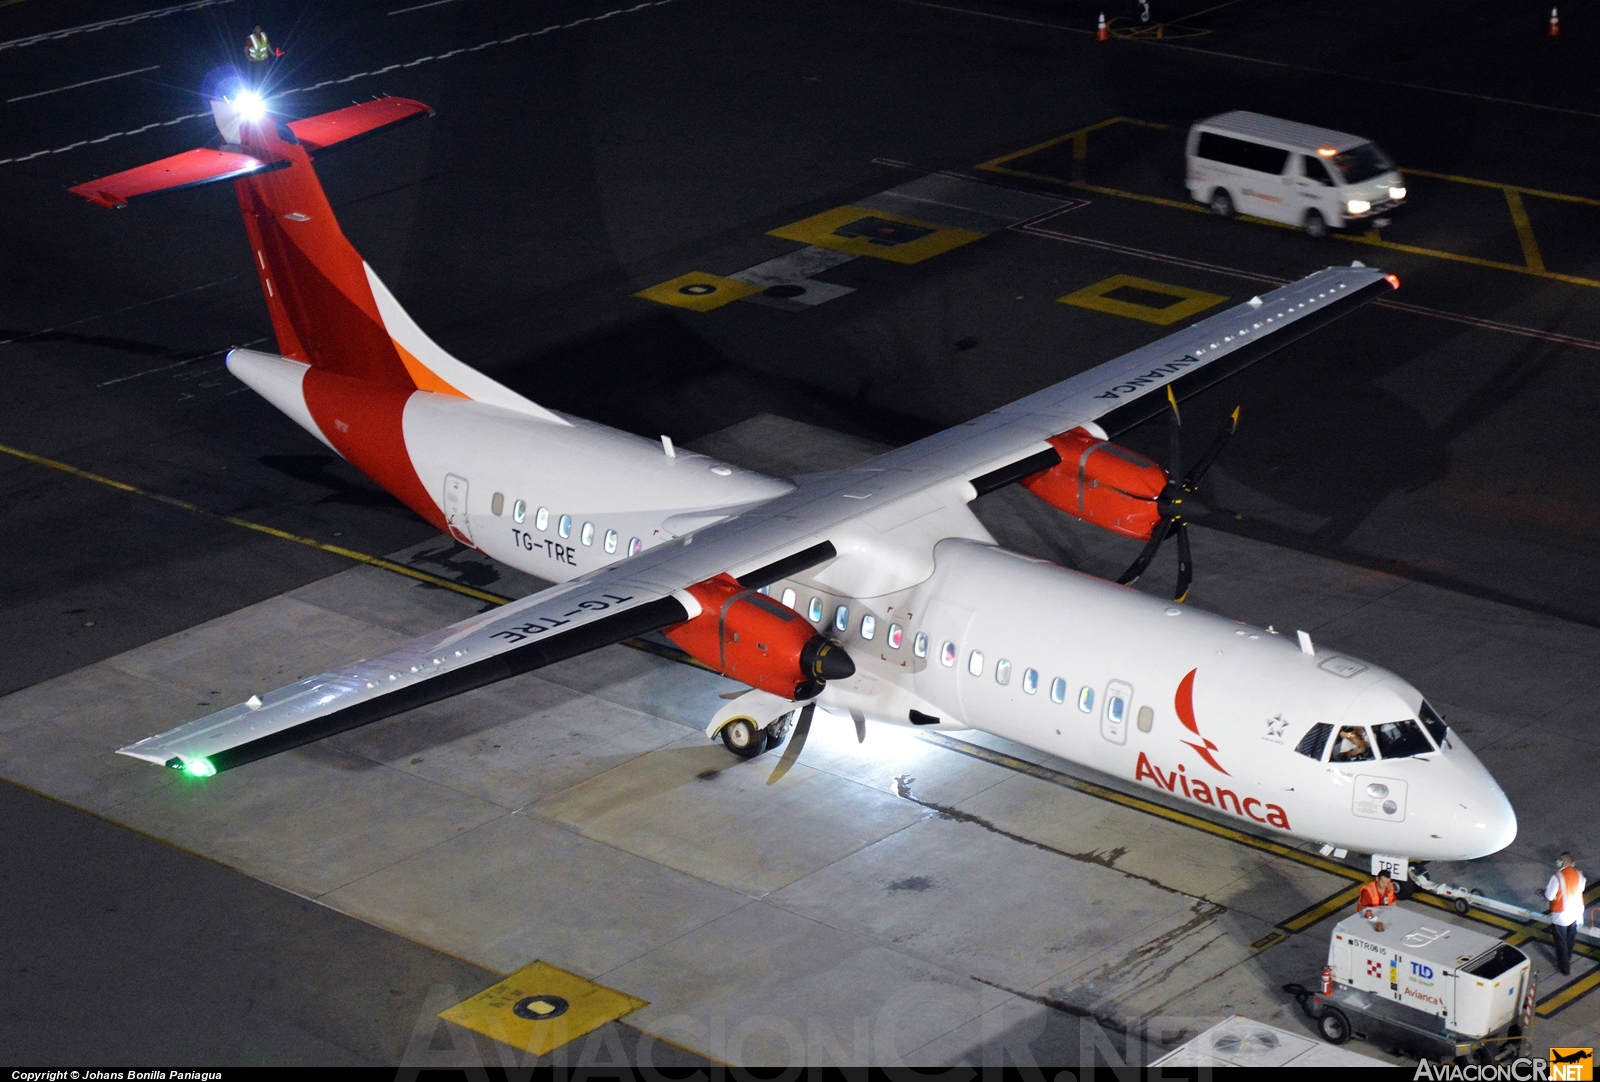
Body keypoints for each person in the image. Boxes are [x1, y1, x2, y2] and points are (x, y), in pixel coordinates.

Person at [1546, 853, 1586, 976]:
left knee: (1561, 943)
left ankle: (1564, 968)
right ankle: (1567, 960)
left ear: (1560, 863)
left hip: (1561, 915)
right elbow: (1581, 889)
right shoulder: (1579, 874)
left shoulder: (1557, 877)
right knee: (1570, 939)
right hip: (1576, 912)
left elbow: (1550, 896)